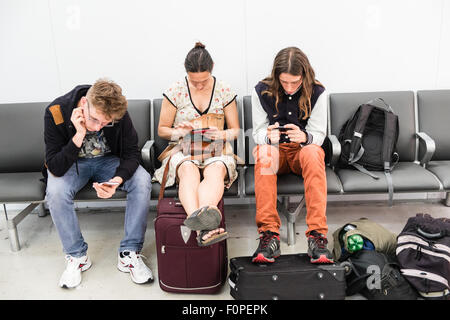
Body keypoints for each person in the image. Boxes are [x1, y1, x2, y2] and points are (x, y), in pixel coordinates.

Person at [43, 78, 154, 288]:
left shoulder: (117, 112)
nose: (97, 127)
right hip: (72, 164)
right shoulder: (56, 111)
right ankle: (77, 257)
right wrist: (79, 135)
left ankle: (129, 252)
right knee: (55, 191)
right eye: (94, 119)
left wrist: (117, 179)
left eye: (105, 123)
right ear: (84, 103)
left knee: (142, 179)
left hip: (108, 162)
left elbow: (132, 153)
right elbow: (55, 166)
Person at [251, 47, 334, 264]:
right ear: (277, 76)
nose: (289, 87)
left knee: (315, 152)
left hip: (301, 154)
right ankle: (269, 235)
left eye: (294, 82)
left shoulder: (317, 92)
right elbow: (257, 132)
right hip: (276, 153)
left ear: (304, 76)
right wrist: (268, 138)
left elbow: (319, 134)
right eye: (284, 82)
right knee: (265, 154)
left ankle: (317, 236)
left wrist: (304, 137)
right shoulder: (261, 91)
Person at [153, 42, 240, 246]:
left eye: (204, 80)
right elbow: (162, 130)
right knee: (188, 170)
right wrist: (178, 131)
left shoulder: (224, 90)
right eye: (194, 82)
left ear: (212, 69)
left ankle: (199, 226)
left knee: (216, 169)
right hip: (184, 149)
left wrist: (220, 133)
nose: (200, 85)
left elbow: (235, 131)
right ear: (186, 74)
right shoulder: (175, 91)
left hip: (216, 149)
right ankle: (204, 228)